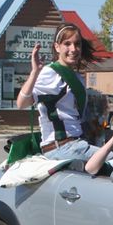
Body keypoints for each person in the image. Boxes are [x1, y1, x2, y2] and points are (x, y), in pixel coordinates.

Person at [16, 23, 103, 161]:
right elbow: (22, 103)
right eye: (67, 44)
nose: (73, 49)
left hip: (77, 143)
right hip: (60, 146)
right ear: (57, 47)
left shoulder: (78, 78)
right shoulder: (49, 73)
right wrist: (34, 73)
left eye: (77, 44)